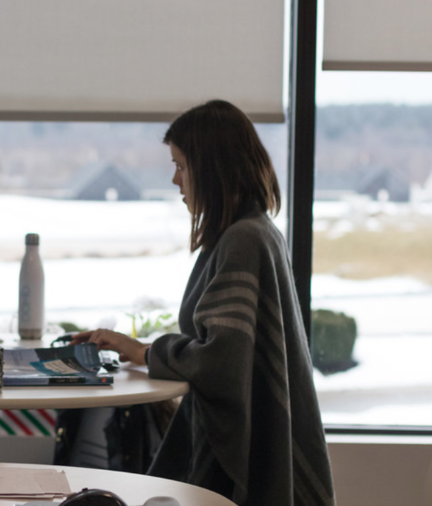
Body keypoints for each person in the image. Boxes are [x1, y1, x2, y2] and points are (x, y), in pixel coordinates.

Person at [71, 100, 336, 506]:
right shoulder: (254, 231)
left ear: (211, 169)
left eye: (180, 165)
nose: (176, 180)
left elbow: (221, 362)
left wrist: (144, 351)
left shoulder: (243, 240)